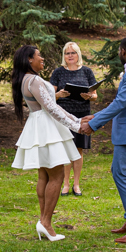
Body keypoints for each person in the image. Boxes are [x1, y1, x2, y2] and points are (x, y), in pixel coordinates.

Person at [80, 36, 126, 244]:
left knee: (121, 173)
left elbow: (121, 102)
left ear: (123, 51)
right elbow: (123, 102)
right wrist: (97, 116)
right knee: (118, 172)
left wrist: (94, 124)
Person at [11, 45, 88, 242]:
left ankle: (43, 221)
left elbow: (50, 105)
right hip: (45, 127)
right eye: (39, 56)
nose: (42, 59)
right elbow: (52, 109)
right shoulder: (34, 80)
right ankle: (46, 223)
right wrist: (76, 125)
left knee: (44, 175)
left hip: (38, 125)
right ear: (29, 59)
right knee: (56, 176)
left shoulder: (24, 79)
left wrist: (77, 121)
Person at [49, 41, 98, 197]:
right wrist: (58, 95)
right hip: (63, 115)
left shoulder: (87, 72)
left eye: (73, 52)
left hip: (82, 114)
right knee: (65, 149)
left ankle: (76, 185)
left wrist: (89, 96)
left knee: (78, 150)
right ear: (64, 55)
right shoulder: (58, 72)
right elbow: (49, 96)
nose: (70, 56)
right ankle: (66, 184)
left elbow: (95, 95)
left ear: (78, 54)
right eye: (67, 53)